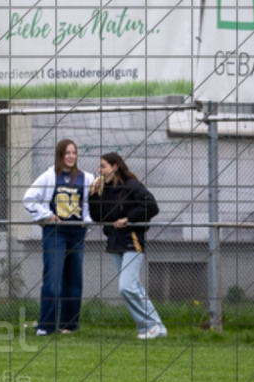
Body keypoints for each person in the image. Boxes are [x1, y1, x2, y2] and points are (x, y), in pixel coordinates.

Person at [89, 152, 167, 339]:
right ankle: (154, 328)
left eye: (103, 166)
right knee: (133, 287)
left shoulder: (132, 186)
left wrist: (128, 219)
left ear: (114, 167)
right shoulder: (105, 190)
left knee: (127, 287)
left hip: (132, 239)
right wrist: (93, 196)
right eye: (99, 167)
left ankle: (151, 324)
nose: (100, 170)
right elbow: (98, 217)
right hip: (115, 241)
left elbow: (152, 206)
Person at [22, 138, 94, 336]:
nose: (71, 156)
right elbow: (28, 198)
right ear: (60, 155)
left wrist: (86, 221)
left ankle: (69, 325)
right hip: (56, 232)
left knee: (74, 280)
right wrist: (47, 215)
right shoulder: (49, 176)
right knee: (53, 280)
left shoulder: (86, 178)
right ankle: (46, 325)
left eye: (74, 153)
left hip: (77, 232)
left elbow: (93, 205)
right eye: (67, 153)